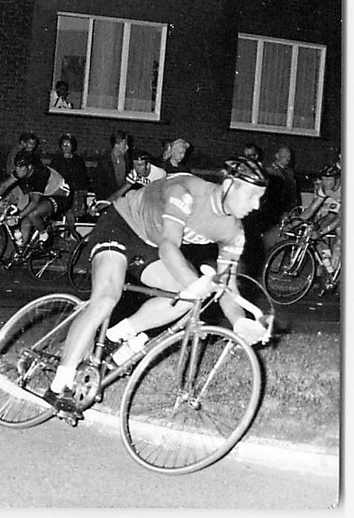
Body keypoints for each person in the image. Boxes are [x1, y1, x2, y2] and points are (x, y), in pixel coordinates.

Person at [42, 159, 269, 415]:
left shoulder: (234, 232)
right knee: (106, 298)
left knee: (186, 300)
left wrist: (239, 321)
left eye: (260, 197)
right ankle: (58, 385)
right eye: (252, 195)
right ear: (229, 185)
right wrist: (193, 284)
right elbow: (169, 247)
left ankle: (116, 337)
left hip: (149, 243)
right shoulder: (186, 192)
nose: (256, 205)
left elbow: (227, 283)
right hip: (121, 225)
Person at [0, 149, 73, 248]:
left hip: (62, 197)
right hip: (45, 195)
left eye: (21, 168)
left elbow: (34, 202)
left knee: (32, 214)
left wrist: (18, 216)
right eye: (16, 167)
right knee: (25, 220)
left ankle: (44, 234)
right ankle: (21, 250)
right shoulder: (22, 171)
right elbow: (4, 186)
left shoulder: (40, 174)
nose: (18, 171)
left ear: (30, 167)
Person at [298, 164, 342, 284]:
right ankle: (329, 268)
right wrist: (295, 222)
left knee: (339, 236)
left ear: (337, 180)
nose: (325, 182)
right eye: (323, 179)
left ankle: (333, 277)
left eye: (329, 179)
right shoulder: (324, 188)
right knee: (317, 234)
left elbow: (340, 218)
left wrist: (321, 232)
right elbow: (311, 209)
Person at [48, 133, 90, 224]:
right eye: (64, 145)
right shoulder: (57, 159)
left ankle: (68, 233)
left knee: (70, 214)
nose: (66, 147)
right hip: (59, 191)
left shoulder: (78, 160)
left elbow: (82, 177)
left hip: (74, 193)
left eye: (68, 144)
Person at [94, 130, 130, 201]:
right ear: (116, 144)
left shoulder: (127, 160)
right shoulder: (104, 161)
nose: (127, 147)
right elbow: (99, 186)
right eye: (124, 144)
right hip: (108, 199)